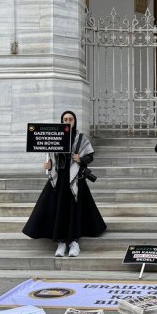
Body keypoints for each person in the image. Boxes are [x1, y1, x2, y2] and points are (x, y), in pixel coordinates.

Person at [23, 110, 106, 257]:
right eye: (65, 119)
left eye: (70, 119)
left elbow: (90, 156)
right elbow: (49, 156)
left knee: (74, 210)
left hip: (75, 179)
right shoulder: (55, 136)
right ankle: (61, 243)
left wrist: (80, 159)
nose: (68, 122)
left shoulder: (81, 138)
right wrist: (47, 166)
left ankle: (74, 242)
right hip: (59, 179)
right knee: (58, 209)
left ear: (74, 121)